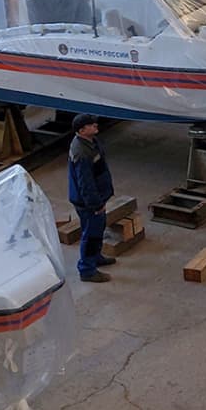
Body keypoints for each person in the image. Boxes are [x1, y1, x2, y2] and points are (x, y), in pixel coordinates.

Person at [67, 114, 117, 283]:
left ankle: (95, 257)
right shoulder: (81, 152)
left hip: (97, 198)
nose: (95, 125)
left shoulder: (90, 141)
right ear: (82, 130)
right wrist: (96, 205)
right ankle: (87, 270)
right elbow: (85, 184)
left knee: (97, 229)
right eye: (91, 124)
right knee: (91, 235)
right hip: (89, 203)